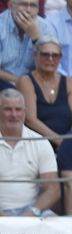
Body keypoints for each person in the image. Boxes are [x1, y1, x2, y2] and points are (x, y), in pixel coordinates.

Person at [0, 88, 60, 216]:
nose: (14, 115)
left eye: (18, 109)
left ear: (25, 112)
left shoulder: (40, 142)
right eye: (8, 109)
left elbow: (53, 189)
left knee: (54, 223)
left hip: (31, 211)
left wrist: (31, 212)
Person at [19, 36, 72, 154]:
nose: (50, 59)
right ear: (35, 55)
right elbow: (30, 119)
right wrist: (59, 141)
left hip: (67, 145)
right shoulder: (26, 81)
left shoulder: (70, 83)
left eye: (55, 55)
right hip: (36, 145)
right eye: (45, 54)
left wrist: (68, 141)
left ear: (60, 59)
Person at [0, 0, 47, 92]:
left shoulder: (45, 27)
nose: (28, 10)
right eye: (23, 4)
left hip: (33, 86)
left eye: (33, 6)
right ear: (11, 6)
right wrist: (21, 82)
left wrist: (36, 37)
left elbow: (48, 66)